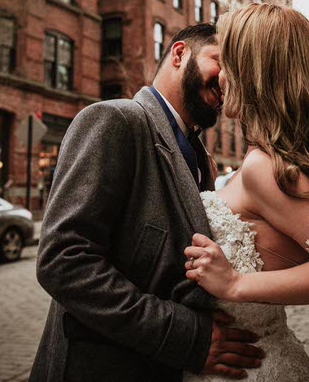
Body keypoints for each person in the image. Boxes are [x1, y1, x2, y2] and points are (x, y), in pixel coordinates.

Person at [29, 23, 264, 382]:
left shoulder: (199, 157)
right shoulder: (115, 120)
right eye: (221, 62)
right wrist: (185, 337)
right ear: (180, 53)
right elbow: (63, 261)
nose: (228, 81)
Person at [182, 4, 309, 382]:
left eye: (228, 61)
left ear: (252, 72)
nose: (220, 76)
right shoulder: (265, 163)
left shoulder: (264, 167)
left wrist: (235, 284)